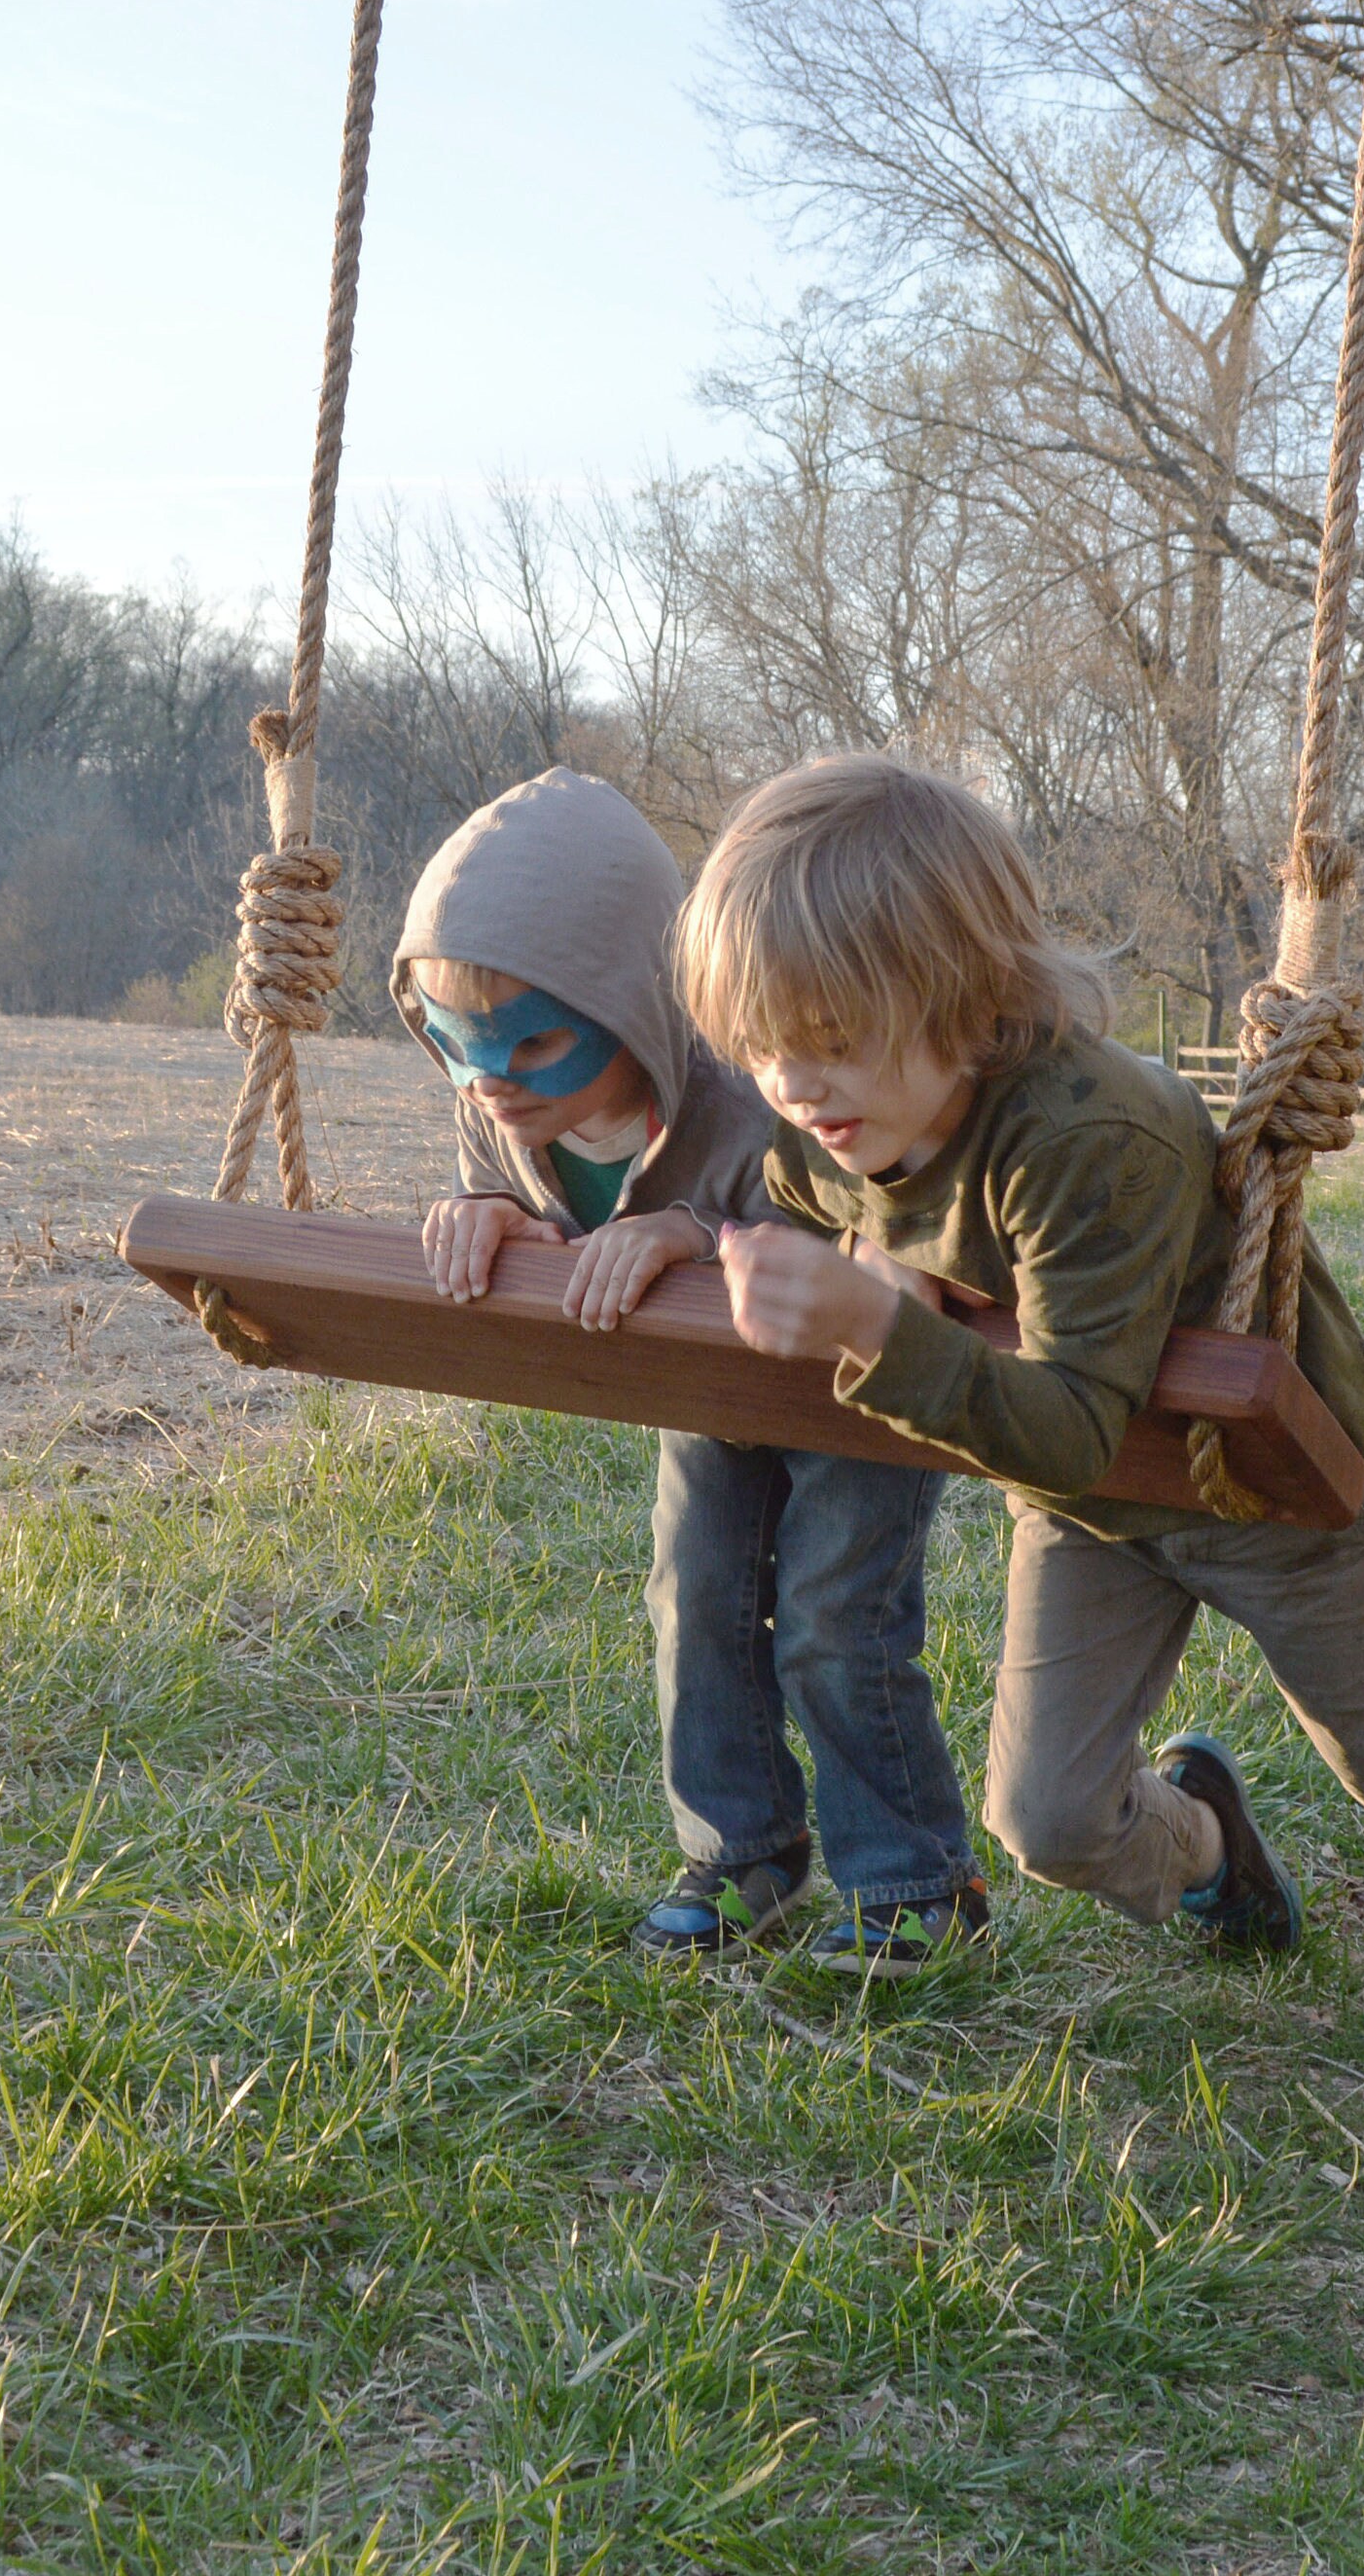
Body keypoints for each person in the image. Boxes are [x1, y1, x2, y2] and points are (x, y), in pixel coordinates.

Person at [674, 752, 1364, 1967]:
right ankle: (1211, 1854)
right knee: (1047, 1818)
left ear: (969, 1000)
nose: (793, 1085)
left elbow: (1077, 1418)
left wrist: (877, 1325)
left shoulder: (1088, 1139)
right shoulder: (826, 1129)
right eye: (762, 1044)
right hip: (1092, 1511)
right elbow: (808, 1206)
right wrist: (848, 1254)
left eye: (828, 1036)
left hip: (1264, 1480)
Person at [393, 766, 987, 1970]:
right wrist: (487, 1212)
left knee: (832, 1617)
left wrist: (697, 1233)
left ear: (639, 1006)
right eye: (456, 1048)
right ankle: (742, 1851)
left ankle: (913, 1879)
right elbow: (521, 1191)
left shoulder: (754, 1091)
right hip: (705, 1389)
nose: (493, 1079)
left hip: (848, 1384)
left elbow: (867, 1225)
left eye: (535, 1041)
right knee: (696, 1596)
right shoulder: (496, 1103)